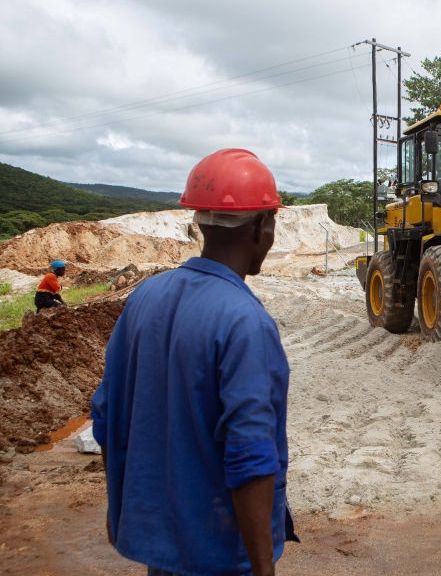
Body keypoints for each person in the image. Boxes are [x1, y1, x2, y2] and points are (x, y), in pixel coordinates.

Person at [91, 148, 296, 576]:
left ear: (200, 222)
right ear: (261, 227)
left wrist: (119, 514)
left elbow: (106, 415)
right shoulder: (247, 323)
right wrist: (263, 568)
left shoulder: (144, 299)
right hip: (218, 552)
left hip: (164, 549)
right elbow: (251, 455)